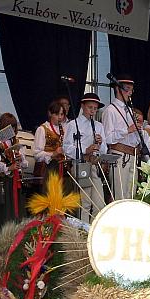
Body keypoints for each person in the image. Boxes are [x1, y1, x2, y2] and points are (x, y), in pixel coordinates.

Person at [63, 92, 107, 222]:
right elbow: (66, 148)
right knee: (85, 202)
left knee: (99, 203)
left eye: (95, 108)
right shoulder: (73, 124)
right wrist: (84, 150)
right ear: (82, 106)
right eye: (90, 107)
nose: (92, 111)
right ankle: (83, 232)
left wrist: (100, 143)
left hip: (94, 165)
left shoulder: (99, 126)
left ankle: (95, 229)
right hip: (81, 164)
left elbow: (104, 150)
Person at [103, 74, 144, 199]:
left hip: (132, 155)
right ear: (118, 89)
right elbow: (108, 138)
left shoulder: (130, 111)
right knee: (120, 195)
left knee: (131, 195)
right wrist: (127, 130)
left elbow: (134, 138)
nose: (130, 93)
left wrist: (138, 131)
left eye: (131, 89)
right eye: (127, 89)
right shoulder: (110, 110)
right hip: (119, 156)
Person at [0, 112, 28, 225]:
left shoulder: (16, 142)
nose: (13, 130)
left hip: (17, 179)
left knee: (18, 207)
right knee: (7, 210)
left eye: (14, 127)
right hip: (4, 181)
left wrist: (21, 158)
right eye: (10, 127)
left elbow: (25, 164)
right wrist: (9, 167)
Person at [33, 101, 70, 194]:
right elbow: (37, 155)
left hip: (62, 169)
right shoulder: (42, 129)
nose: (60, 117)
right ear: (50, 113)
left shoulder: (65, 129)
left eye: (62, 114)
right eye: (57, 114)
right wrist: (53, 154)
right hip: (48, 170)